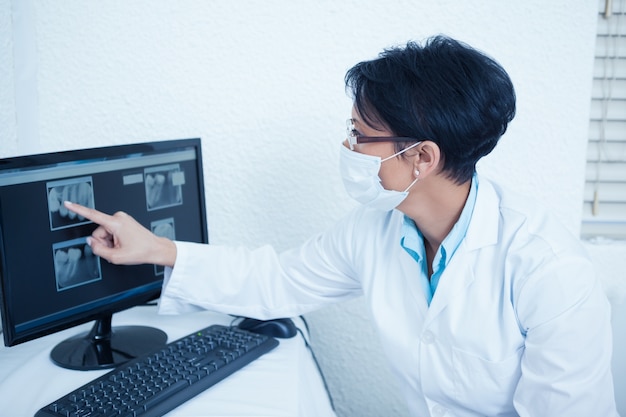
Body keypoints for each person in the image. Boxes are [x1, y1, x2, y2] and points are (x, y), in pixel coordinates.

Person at [64, 35, 618, 416]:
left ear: (421, 157)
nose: (346, 146)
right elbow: (277, 281)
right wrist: (157, 249)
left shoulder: (549, 271)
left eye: (359, 134)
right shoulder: (376, 228)